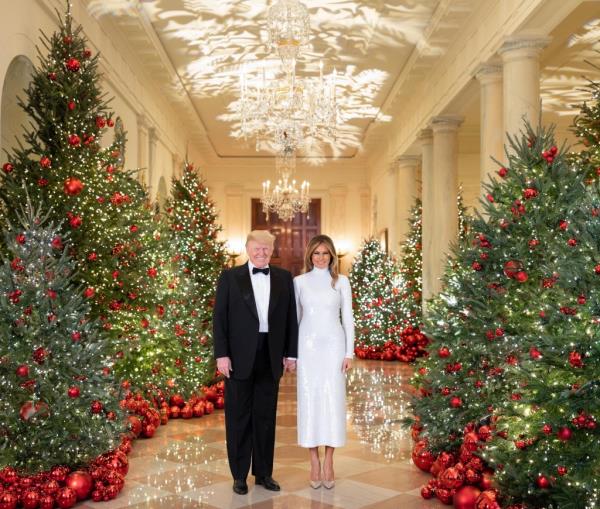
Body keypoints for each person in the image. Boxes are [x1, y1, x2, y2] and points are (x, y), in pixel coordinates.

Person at [213, 230, 298, 495]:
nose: (261, 253)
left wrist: (291, 353)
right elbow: (220, 318)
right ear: (247, 249)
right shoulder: (230, 277)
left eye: (266, 249)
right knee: (238, 417)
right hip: (237, 357)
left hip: (270, 355)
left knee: (265, 417)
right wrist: (222, 354)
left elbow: (290, 318)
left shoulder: (284, 278)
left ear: (272, 251)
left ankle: (263, 473)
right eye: (256, 248)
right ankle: (239, 475)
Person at [293, 234, 354, 489]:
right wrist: (292, 355)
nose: (320, 258)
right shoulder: (299, 282)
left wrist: (349, 352)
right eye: (316, 253)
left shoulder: (341, 282)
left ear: (332, 256)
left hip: (334, 348)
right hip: (307, 348)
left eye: (325, 253)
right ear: (310, 255)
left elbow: (348, 318)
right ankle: (313, 462)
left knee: (332, 401)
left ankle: (329, 461)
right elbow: (294, 320)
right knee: (310, 401)